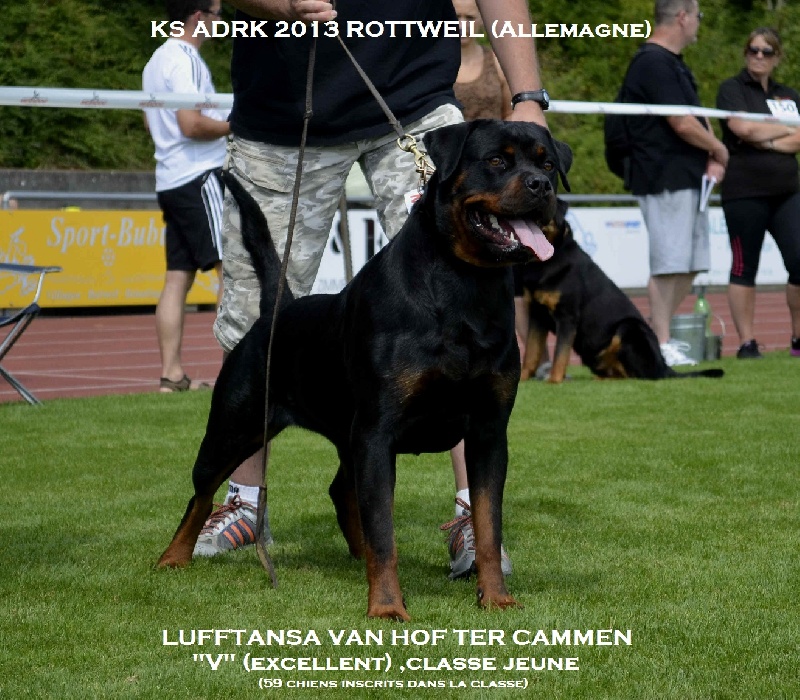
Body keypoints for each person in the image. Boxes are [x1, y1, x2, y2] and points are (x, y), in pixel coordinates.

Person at [193, 0, 549, 581]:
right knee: (257, 320)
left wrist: (528, 95)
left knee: (471, 283)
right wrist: (281, 5)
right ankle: (244, 503)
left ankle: (470, 518)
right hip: (285, 108)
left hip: (414, 100)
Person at [623, 0, 728, 367]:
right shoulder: (652, 61)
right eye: (698, 16)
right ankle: (660, 343)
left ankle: (656, 335)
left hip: (689, 177)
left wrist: (713, 154)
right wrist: (721, 150)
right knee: (669, 263)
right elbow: (681, 122)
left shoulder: (673, 63)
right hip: (662, 177)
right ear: (682, 17)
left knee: (690, 263)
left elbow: (696, 115)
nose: (699, 23)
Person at [143, 0, 230, 392]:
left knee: (177, 277)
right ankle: (234, 374)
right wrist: (236, 125)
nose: (222, 23)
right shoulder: (185, 60)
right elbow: (191, 125)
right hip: (198, 177)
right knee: (232, 272)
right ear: (200, 16)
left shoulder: (155, 61)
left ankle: (171, 375)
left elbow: (152, 123)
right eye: (218, 15)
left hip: (169, 179)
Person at [716, 28, 800, 359]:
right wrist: (781, 132)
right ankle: (747, 343)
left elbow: (799, 138)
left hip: (788, 192)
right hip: (744, 192)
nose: (759, 56)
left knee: (799, 261)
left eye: (766, 51)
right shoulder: (731, 89)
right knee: (744, 266)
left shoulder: (788, 95)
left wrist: (766, 140)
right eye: (753, 50)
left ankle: (798, 339)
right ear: (745, 53)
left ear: (777, 57)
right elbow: (743, 128)